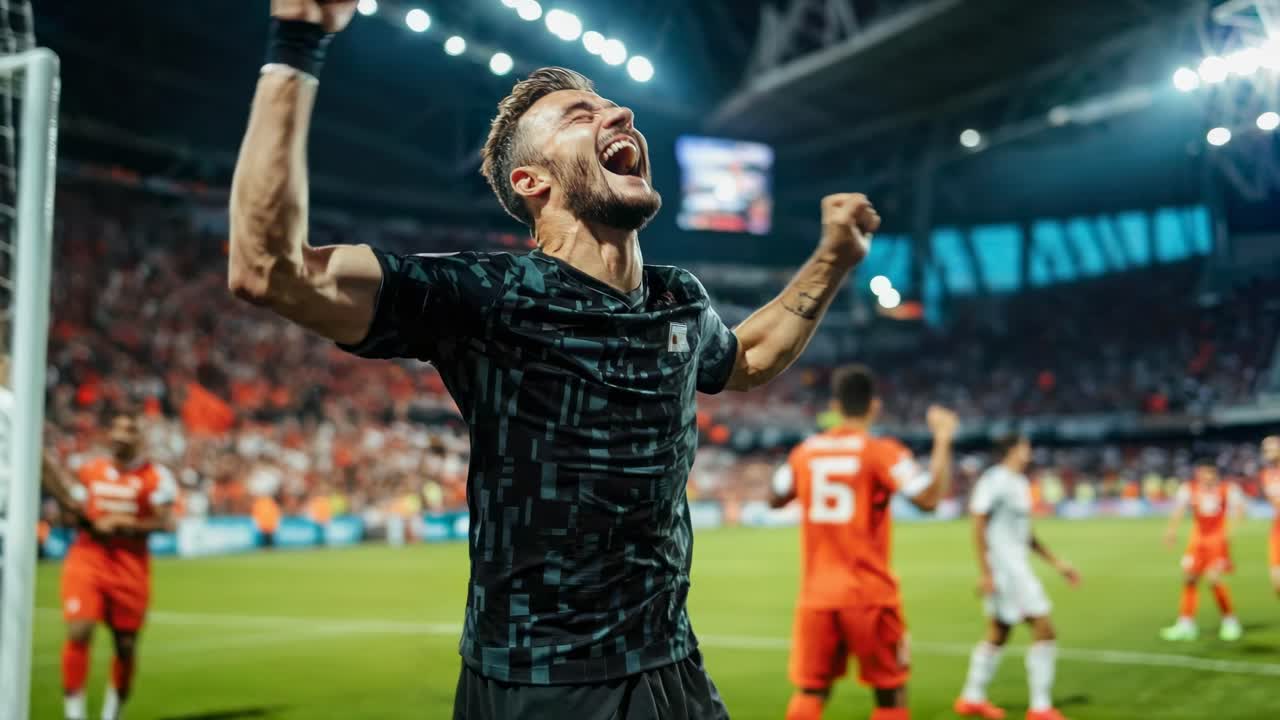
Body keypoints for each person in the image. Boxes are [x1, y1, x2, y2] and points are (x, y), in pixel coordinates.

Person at [229, 2, 880, 716]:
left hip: (673, 666)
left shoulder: (678, 300)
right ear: (531, 183)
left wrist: (834, 258)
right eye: (578, 116)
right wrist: (297, 42)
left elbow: (747, 357)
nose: (621, 114)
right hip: (541, 683)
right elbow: (270, 270)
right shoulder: (489, 297)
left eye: (612, 108)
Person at [769, 365, 958, 720]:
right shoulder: (881, 452)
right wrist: (944, 437)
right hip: (869, 594)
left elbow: (774, 497)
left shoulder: (805, 452)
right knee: (890, 691)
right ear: (874, 406)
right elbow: (929, 499)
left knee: (811, 690)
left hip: (817, 596)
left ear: (835, 406)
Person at [41, 411, 177, 720]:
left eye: (128, 430)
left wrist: (122, 523)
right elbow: (71, 512)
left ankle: (112, 714)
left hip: (130, 565)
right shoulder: (90, 470)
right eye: (116, 429)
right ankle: (74, 715)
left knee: (125, 645)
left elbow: (166, 522)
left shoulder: (157, 476)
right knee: (79, 630)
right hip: (88, 557)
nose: (120, 436)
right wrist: (69, 515)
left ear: (139, 437)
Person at [954, 434, 1079, 720]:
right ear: (1011, 451)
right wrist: (986, 573)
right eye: (1025, 448)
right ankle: (1040, 707)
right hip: (1006, 571)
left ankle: (971, 698)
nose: (1029, 453)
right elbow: (978, 524)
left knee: (999, 631)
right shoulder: (994, 480)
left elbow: (1025, 534)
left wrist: (1056, 562)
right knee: (1044, 629)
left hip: (1015, 566)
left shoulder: (1020, 483)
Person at [1160, 458, 1244, 642]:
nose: (1205, 476)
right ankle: (1186, 624)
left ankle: (1230, 621)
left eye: (1209, 473)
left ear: (1215, 473)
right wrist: (1171, 531)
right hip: (1197, 540)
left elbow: (1239, 510)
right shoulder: (1189, 488)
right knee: (1189, 579)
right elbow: (1179, 509)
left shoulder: (1227, 489)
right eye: (1202, 472)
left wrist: (1230, 532)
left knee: (1213, 579)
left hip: (1217, 540)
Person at [1261, 435, 1280, 597]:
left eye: (1271, 448)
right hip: (1278, 529)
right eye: (1265, 449)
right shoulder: (1266, 475)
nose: (1267, 452)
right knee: (1277, 584)